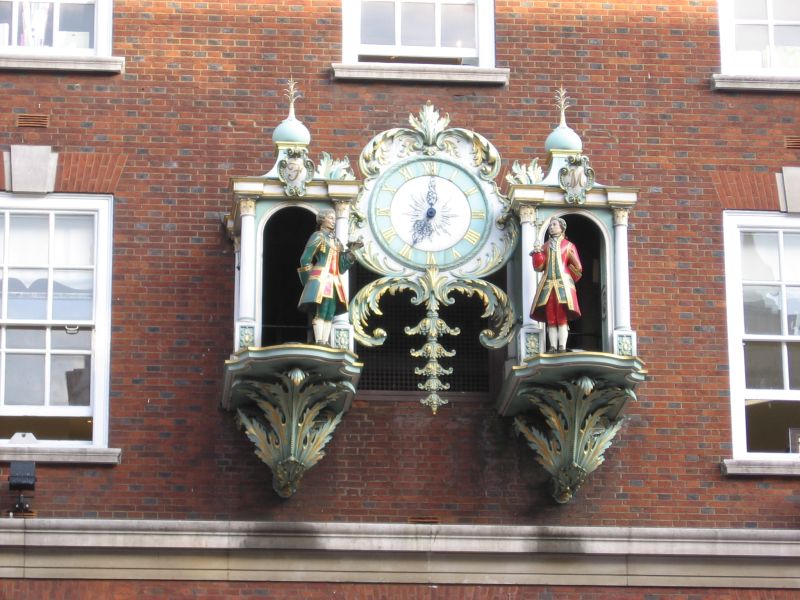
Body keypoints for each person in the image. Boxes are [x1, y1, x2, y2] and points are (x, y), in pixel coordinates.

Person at [297, 209, 361, 345]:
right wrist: (309, 281)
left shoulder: (336, 241)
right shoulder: (318, 236)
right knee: (322, 310)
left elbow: (341, 267)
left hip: (334, 280)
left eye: (334, 218)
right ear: (322, 220)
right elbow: (305, 259)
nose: (333, 221)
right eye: (331, 218)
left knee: (329, 311)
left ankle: (325, 341)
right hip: (322, 279)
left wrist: (351, 252)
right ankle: (319, 340)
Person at [530, 216, 583, 353]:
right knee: (550, 317)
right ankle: (553, 346)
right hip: (548, 285)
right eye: (550, 225)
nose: (551, 227)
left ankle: (562, 346)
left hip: (563, 286)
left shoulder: (568, 245)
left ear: (562, 228)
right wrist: (537, 254)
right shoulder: (545, 246)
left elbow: (577, 267)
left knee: (561, 316)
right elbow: (539, 267)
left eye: (554, 224)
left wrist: (568, 276)